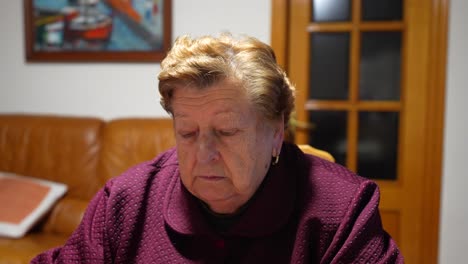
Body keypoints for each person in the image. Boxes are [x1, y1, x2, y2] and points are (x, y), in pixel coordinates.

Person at [32, 33, 403, 263]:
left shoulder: (342, 210)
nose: (203, 154)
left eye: (226, 132)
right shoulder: (124, 204)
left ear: (276, 132)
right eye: (187, 133)